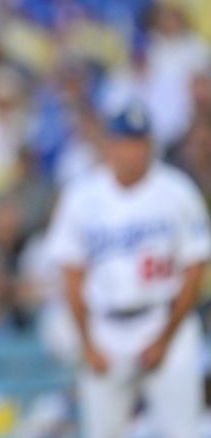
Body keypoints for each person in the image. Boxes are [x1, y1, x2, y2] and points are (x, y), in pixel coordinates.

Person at [46, 102, 211, 438]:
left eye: (139, 142)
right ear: (109, 144)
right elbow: (71, 274)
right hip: (105, 327)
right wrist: (88, 342)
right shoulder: (82, 195)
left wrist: (165, 338)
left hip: (166, 320)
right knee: (103, 432)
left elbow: (195, 269)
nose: (132, 151)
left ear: (150, 145)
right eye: (124, 141)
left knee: (184, 431)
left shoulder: (177, 191)